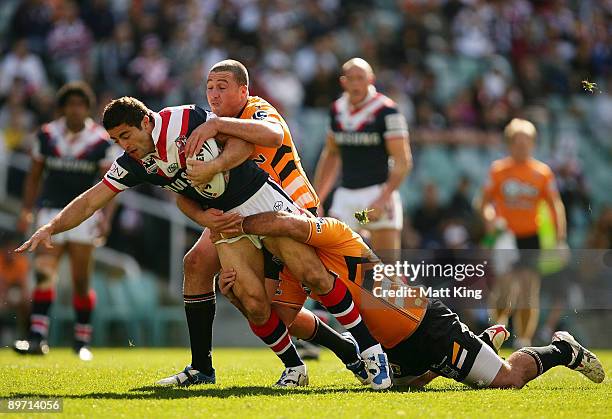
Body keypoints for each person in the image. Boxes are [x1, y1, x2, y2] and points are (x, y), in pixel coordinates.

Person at [17, 96, 389, 389]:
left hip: (260, 201)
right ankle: (293, 367)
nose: (123, 146)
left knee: (313, 275)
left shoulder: (187, 119)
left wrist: (214, 165)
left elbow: (246, 145)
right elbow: (94, 197)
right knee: (252, 301)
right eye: (116, 141)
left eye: (126, 136)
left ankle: (370, 351)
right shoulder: (135, 162)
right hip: (226, 224)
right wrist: (51, 226)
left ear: (146, 122)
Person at [159, 60, 390, 389]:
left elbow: (273, 134)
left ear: (244, 90)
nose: (213, 93)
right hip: (240, 217)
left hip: (288, 211)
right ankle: (201, 367)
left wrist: (216, 127)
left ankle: (362, 349)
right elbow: (181, 185)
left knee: (281, 313)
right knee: (199, 265)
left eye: (222, 86)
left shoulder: (256, 110)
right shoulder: (206, 124)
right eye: (209, 87)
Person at [216, 210, 604, 388]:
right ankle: (482, 344)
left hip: (426, 325)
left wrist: (238, 219)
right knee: (412, 387)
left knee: (507, 380)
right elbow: (284, 319)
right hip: (392, 348)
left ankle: (561, 350)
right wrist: (239, 295)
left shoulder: (333, 233)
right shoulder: (293, 270)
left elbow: (289, 223)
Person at [13, 82, 115, 360]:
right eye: (70, 104)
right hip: (50, 213)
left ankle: (82, 341)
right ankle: (37, 338)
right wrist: (26, 209)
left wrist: (105, 217)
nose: (75, 109)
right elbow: (33, 176)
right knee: (44, 272)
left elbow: (110, 185)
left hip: (85, 216)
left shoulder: (100, 140)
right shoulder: (46, 136)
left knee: (81, 280)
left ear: (87, 108)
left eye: (80, 104)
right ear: (62, 108)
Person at [480, 118, 567, 348]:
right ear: (509, 144)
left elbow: (555, 205)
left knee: (529, 289)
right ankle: (493, 335)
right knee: (505, 289)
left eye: (527, 142)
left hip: (530, 237)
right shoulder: (499, 170)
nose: (522, 146)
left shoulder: (542, 173)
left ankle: (524, 340)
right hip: (505, 237)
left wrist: (560, 238)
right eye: (518, 142)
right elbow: (484, 202)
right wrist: (489, 218)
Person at [314, 57, 412, 253]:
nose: (356, 83)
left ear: (371, 80)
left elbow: (403, 161)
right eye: (351, 78)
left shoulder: (387, 111)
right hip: (346, 198)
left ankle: (396, 282)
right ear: (343, 81)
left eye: (361, 78)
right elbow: (332, 154)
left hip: (375, 197)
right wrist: (316, 200)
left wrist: (383, 199)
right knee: (335, 261)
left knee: (386, 271)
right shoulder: (337, 110)